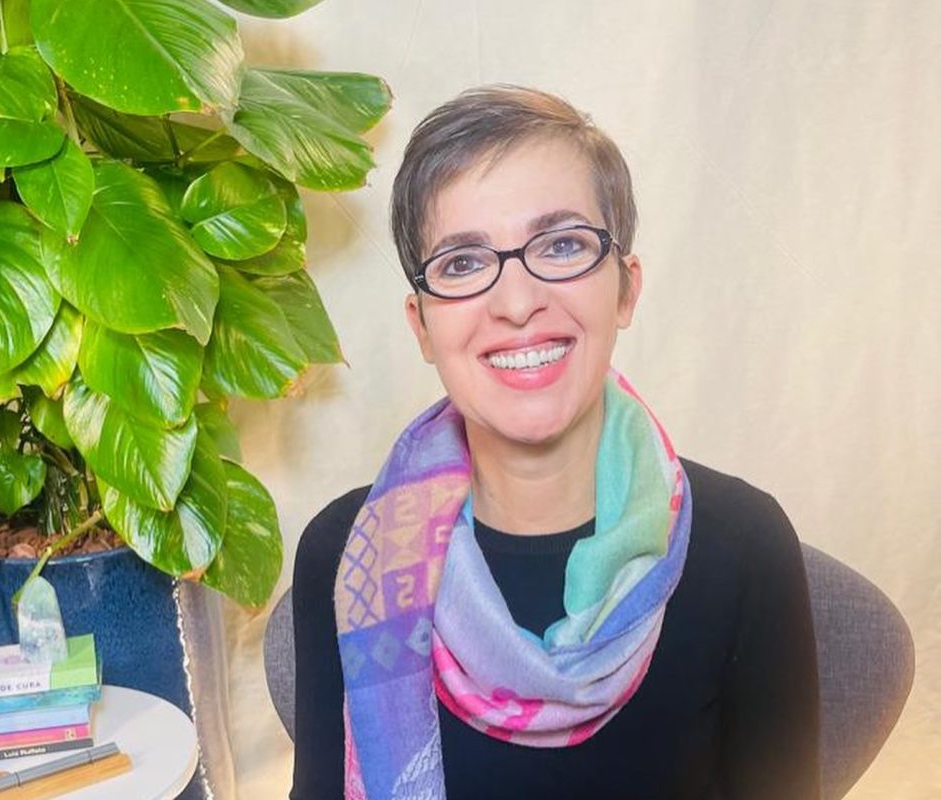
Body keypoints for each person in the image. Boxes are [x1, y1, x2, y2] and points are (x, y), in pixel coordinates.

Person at [291, 85, 820, 800]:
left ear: (625, 289)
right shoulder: (346, 552)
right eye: (462, 262)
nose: (516, 304)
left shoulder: (745, 547)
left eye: (562, 245)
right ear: (422, 327)